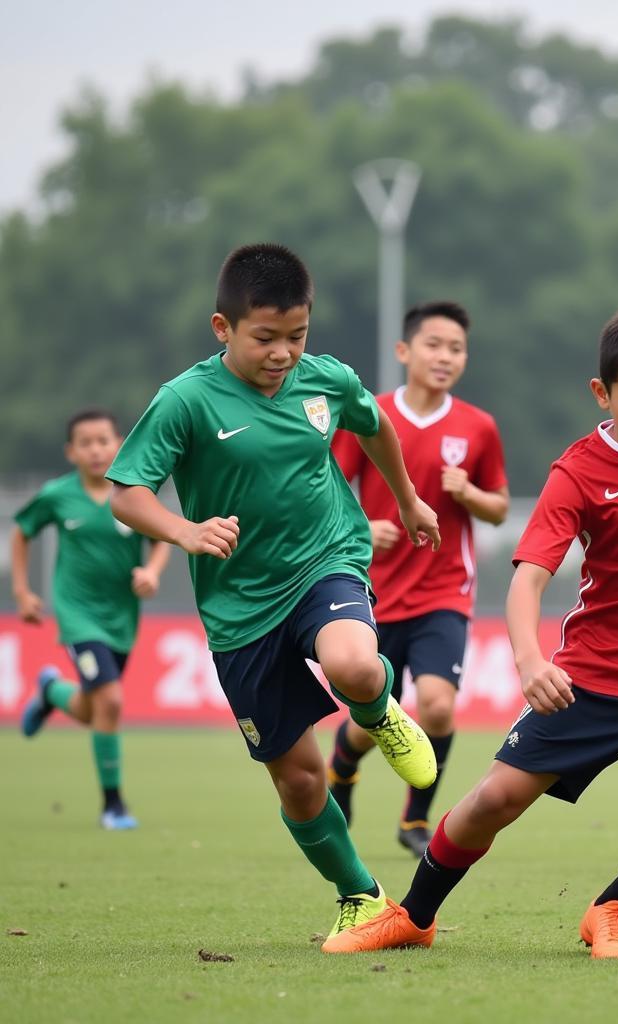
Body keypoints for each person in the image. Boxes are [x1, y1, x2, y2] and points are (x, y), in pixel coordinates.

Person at [322, 306, 618, 957]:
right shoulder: (578, 471)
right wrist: (530, 661)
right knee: (494, 800)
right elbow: (528, 578)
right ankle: (414, 915)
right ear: (602, 394)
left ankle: (613, 908)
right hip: (596, 676)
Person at [105, 242, 441, 948]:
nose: (284, 352)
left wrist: (407, 501)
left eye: (298, 335)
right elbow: (127, 496)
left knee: (354, 663)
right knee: (298, 779)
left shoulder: (326, 382)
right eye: (266, 337)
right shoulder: (185, 401)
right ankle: (363, 897)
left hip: (326, 560)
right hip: (239, 611)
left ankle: (379, 713)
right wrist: (185, 532)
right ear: (222, 328)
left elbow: (373, 423)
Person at [328, 300, 509, 858]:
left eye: (456, 348)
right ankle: (343, 768)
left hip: (444, 592)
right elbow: (330, 488)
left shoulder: (478, 427)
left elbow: (500, 508)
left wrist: (468, 493)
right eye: (434, 344)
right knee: (372, 718)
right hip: (373, 591)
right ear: (404, 351)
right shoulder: (370, 414)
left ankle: (415, 819)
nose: (445, 356)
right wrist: (365, 530)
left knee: (435, 706)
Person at [14, 409, 171, 829]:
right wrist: (22, 591)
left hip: (121, 618)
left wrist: (151, 572)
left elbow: (161, 540)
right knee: (113, 702)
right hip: (76, 614)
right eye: (86, 443)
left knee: (97, 706)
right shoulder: (56, 496)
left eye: (103, 440)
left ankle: (51, 692)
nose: (96, 449)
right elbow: (22, 530)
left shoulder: (134, 496)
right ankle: (113, 805)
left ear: (119, 444)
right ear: (71, 452)